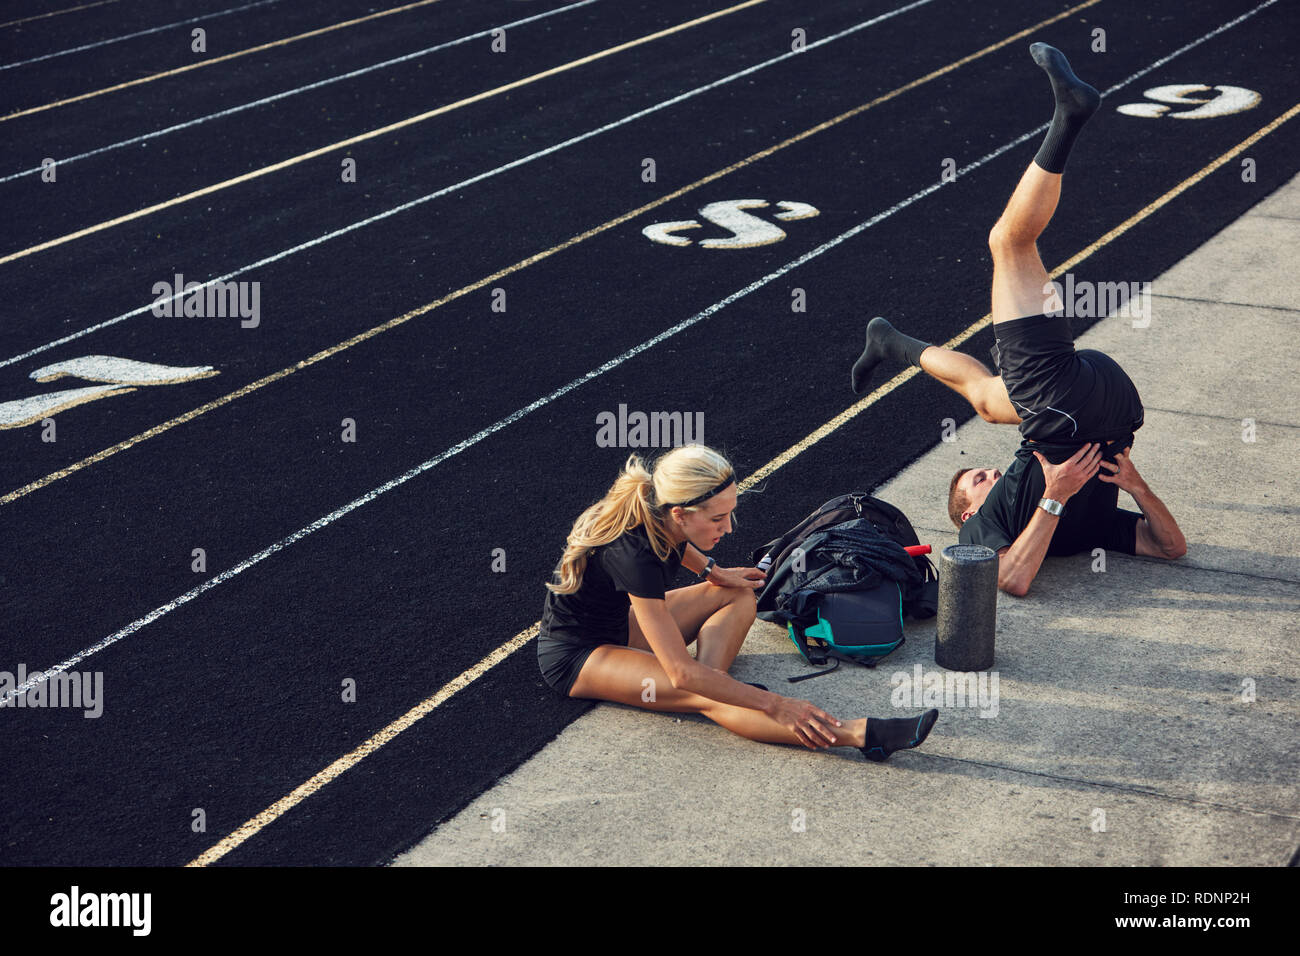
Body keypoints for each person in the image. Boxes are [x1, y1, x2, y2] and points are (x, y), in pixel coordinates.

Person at [849, 43, 1186, 596]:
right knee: (1008, 240)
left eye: (979, 471)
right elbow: (1011, 581)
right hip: (1071, 411)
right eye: (978, 481)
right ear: (968, 517)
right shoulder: (989, 528)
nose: (988, 472)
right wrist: (1121, 487)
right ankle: (1069, 116)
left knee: (989, 400)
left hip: (1105, 404)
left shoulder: (1074, 527)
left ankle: (889, 342)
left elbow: (1167, 549)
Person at [538, 444, 938, 760]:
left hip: (620, 624)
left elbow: (677, 544)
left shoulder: (655, 506)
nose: (728, 528)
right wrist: (775, 703)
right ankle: (861, 735)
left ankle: (717, 686)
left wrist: (714, 572)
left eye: (730, 513)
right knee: (700, 690)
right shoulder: (635, 555)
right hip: (579, 655)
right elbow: (679, 672)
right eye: (717, 519)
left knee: (738, 595)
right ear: (680, 513)